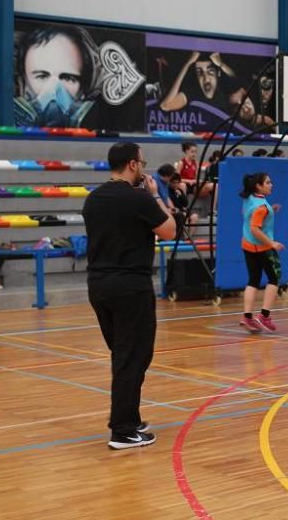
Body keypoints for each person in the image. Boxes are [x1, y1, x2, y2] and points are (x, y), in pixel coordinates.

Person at [83, 142, 176, 449]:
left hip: (99, 286)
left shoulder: (93, 199)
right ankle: (122, 429)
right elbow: (169, 231)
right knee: (132, 356)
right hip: (130, 286)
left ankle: (130, 419)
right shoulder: (139, 198)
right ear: (133, 165)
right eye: (142, 162)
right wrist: (156, 196)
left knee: (126, 355)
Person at [238, 173, 284, 333]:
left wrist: (272, 210)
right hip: (263, 248)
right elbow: (255, 228)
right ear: (259, 185)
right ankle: (264, 316)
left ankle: (247, 317)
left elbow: (249, 216)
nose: (271, 185)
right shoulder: (262, 207)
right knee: (274, 278)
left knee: (253, 280)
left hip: (247, 245)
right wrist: (271, 243)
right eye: (268, 182)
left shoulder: (249, 198)